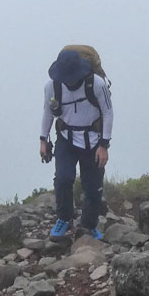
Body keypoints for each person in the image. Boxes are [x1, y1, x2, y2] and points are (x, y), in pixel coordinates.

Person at [40, 48, 113, 241]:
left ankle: (89, 225)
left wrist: (104, 145)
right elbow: (48, 112)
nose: (69, 80)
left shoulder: (96, 84)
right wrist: (43, 140)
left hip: (94, 141)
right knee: (63, 179)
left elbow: (107, 112)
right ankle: (64, 218)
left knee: (93, 186)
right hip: (66, 139)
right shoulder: (52, 87)